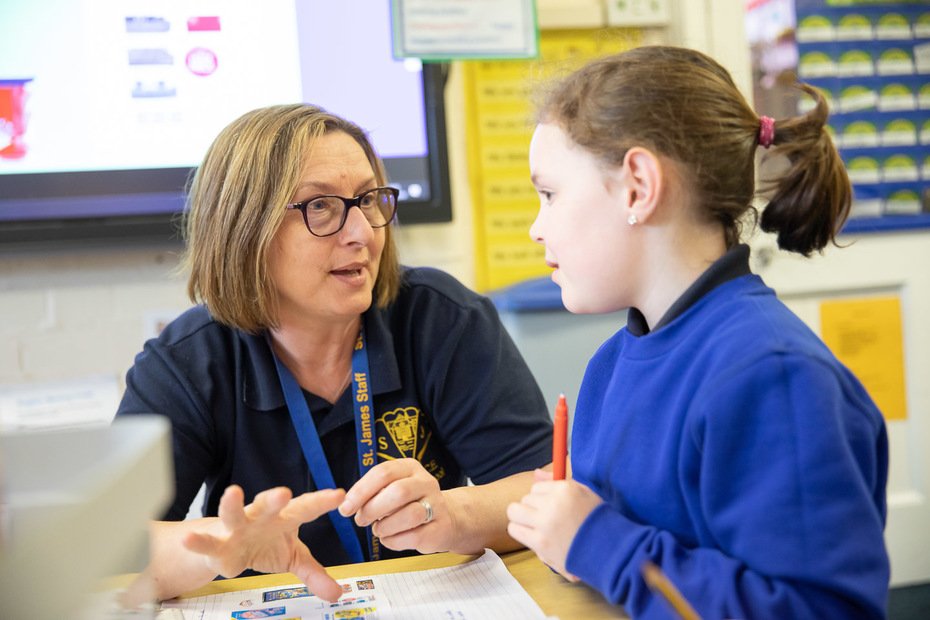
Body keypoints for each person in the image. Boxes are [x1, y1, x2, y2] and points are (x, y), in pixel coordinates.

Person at [506, 46, 890, 619]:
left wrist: (596, 542)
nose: (538, 228)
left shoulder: (773, 376)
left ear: (637, 185)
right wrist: (569, 534)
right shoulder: (614, 363)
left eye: (549, 194)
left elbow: (820, 610)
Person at [116, 103, 553, 603]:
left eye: (368, 200)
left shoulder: (442, 318)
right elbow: (105, 547)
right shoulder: (188, 361)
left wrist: (451, 514)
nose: (363, 232)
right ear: (245, 228)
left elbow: (543, 489)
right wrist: (222, 547)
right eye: (319, 206)